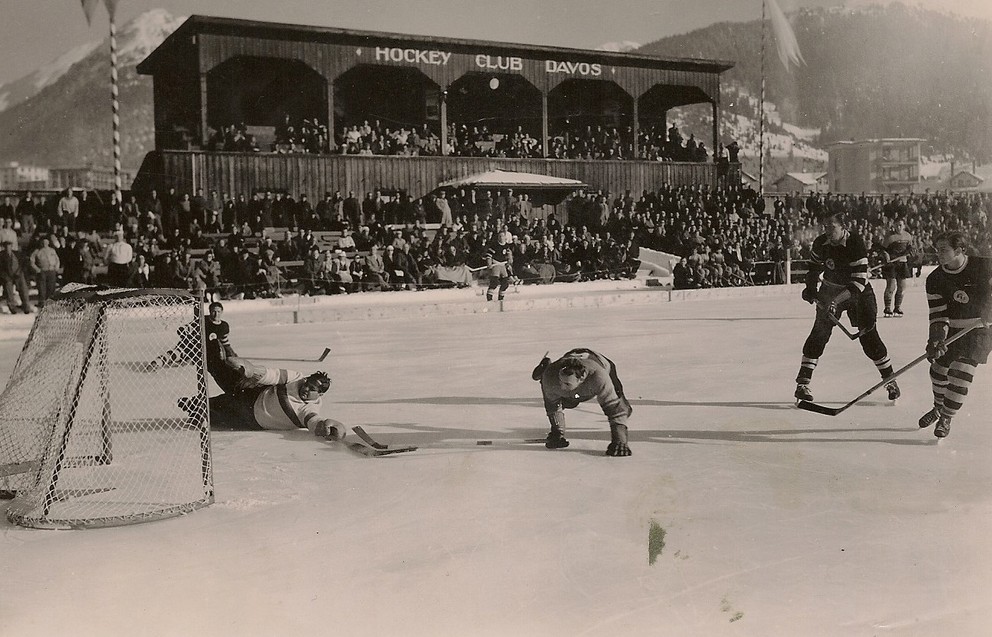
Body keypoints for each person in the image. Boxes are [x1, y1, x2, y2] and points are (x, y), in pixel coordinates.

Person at [796, 210, 900, 403]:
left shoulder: (855, 243)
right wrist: (810, 289)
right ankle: (803, 383)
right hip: (830, 289)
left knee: (869, 338)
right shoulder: (821, 243)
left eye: (832, 227)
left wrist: (836, 302)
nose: (827, 231)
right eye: (825, 227)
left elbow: (859, 282)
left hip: (857, 293)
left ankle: (890, 380)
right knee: (819, 334)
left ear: (843, 227)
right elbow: (814, 268)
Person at [918, 232, 992, 439]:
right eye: (937, 249)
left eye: (944, 250)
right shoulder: (934, 278)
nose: (938, 253)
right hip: (954, 330)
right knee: (938, 370)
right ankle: (938, 408)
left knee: (961, 371)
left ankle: (946, 416)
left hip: (982, 329)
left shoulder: (983, 266)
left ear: (960, 250)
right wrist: (935, 339)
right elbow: (938, 314)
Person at [531, 348, 633, 456]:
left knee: (622, 406)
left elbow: (614, 410)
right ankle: (547, 369)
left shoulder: (599, 377)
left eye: (566, 383)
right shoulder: (551, 376)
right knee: (567, 400)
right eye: (560, 380)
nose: (561, 385)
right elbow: (553, 407)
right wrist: (557, 433)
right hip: (568, 367)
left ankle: (625, 406)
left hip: (601, 364)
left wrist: (620, 440)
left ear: (582, 378)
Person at [208, 363, 344, 440]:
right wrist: (252, 372)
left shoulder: (308, 409)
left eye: (312, 389)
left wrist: (326, 425)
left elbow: (314, 421)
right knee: (220, 366)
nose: (306, 388)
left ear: (320, 394)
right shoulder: (298, 378)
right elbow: (273, 374)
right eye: (307, 383)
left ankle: (189, 405)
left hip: (250, 417)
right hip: (253, 393)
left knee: (206, 410)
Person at [880, 219, 914, 317]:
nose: (898, 227)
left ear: (903, 226)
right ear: (893, 226)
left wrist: (911, 251)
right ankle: (887, 308)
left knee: (902, 287)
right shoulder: (889, 237)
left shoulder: (908, 236)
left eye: (900, 225)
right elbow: (883, 250)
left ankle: (897, 307)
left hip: (902, 263)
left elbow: (910, 247)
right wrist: (886, 256)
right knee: (891, 287)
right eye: (896, 225)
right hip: (892, 264)